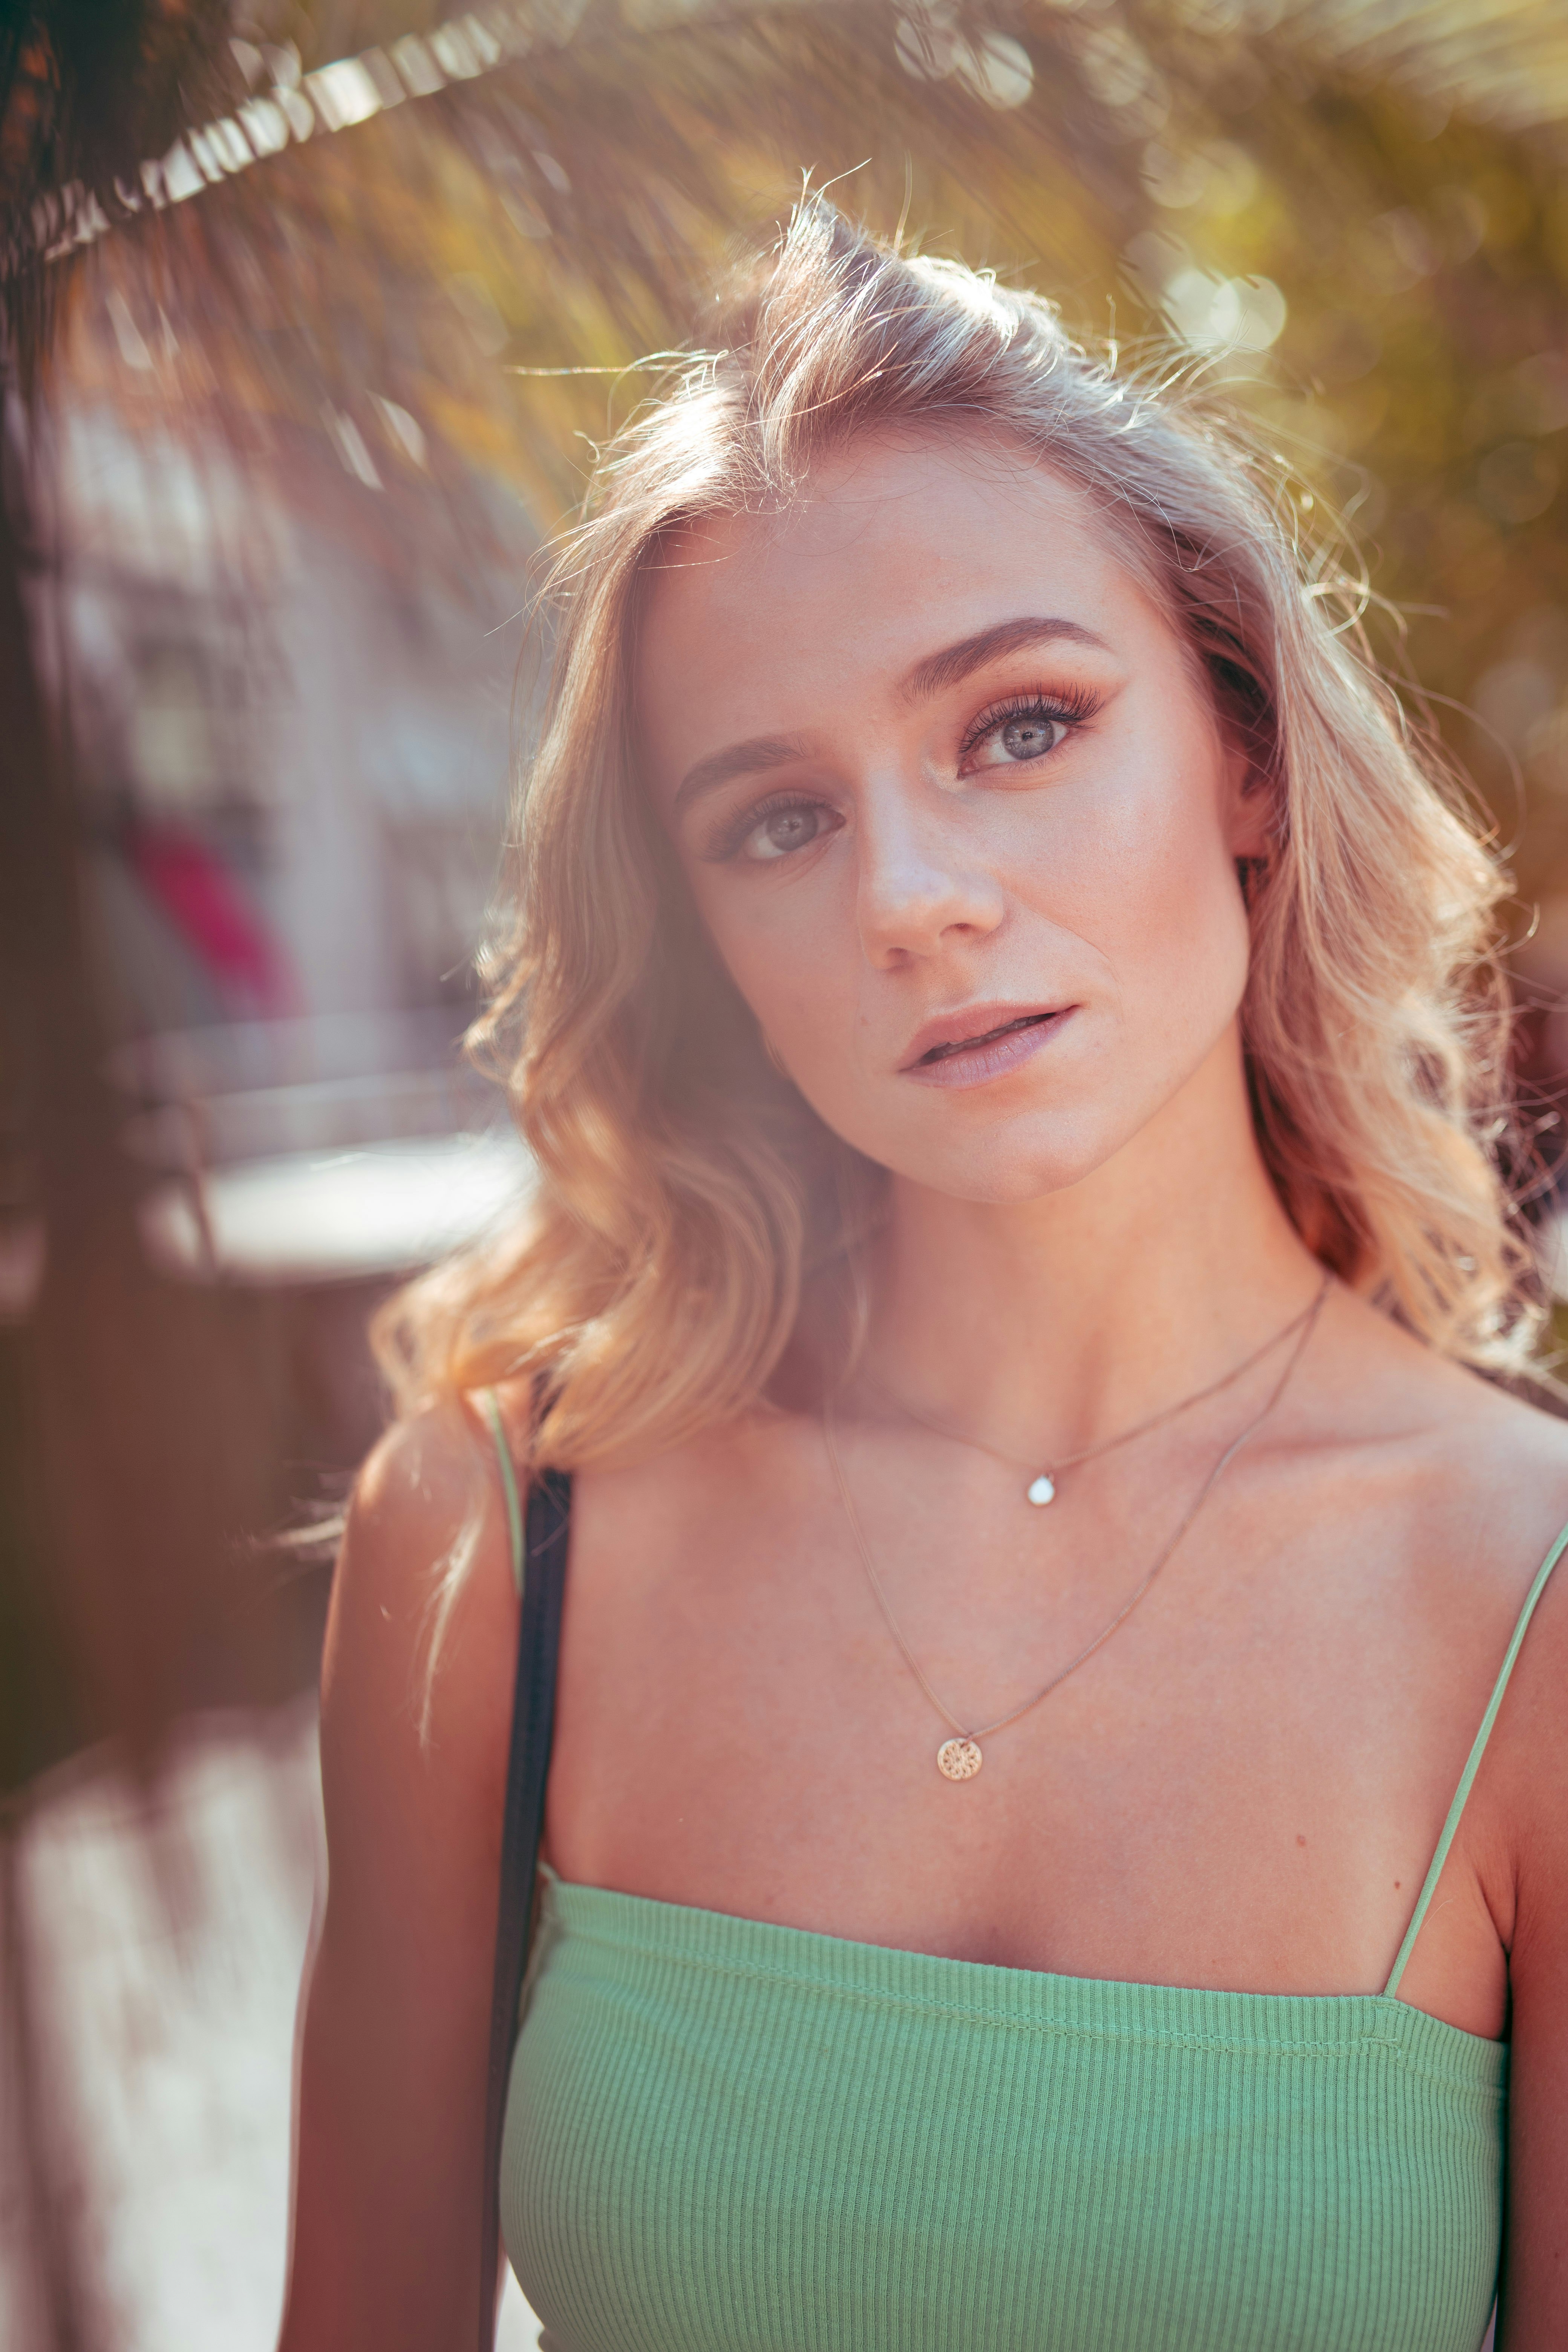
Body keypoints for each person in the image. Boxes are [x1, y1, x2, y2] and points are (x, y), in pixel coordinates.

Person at [278, 202, 1568, 2352]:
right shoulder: (501, 1544)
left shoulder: (1530, 1605)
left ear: (1244, 754)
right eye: (779, 823)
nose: (913, 900)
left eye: (1022, 728)